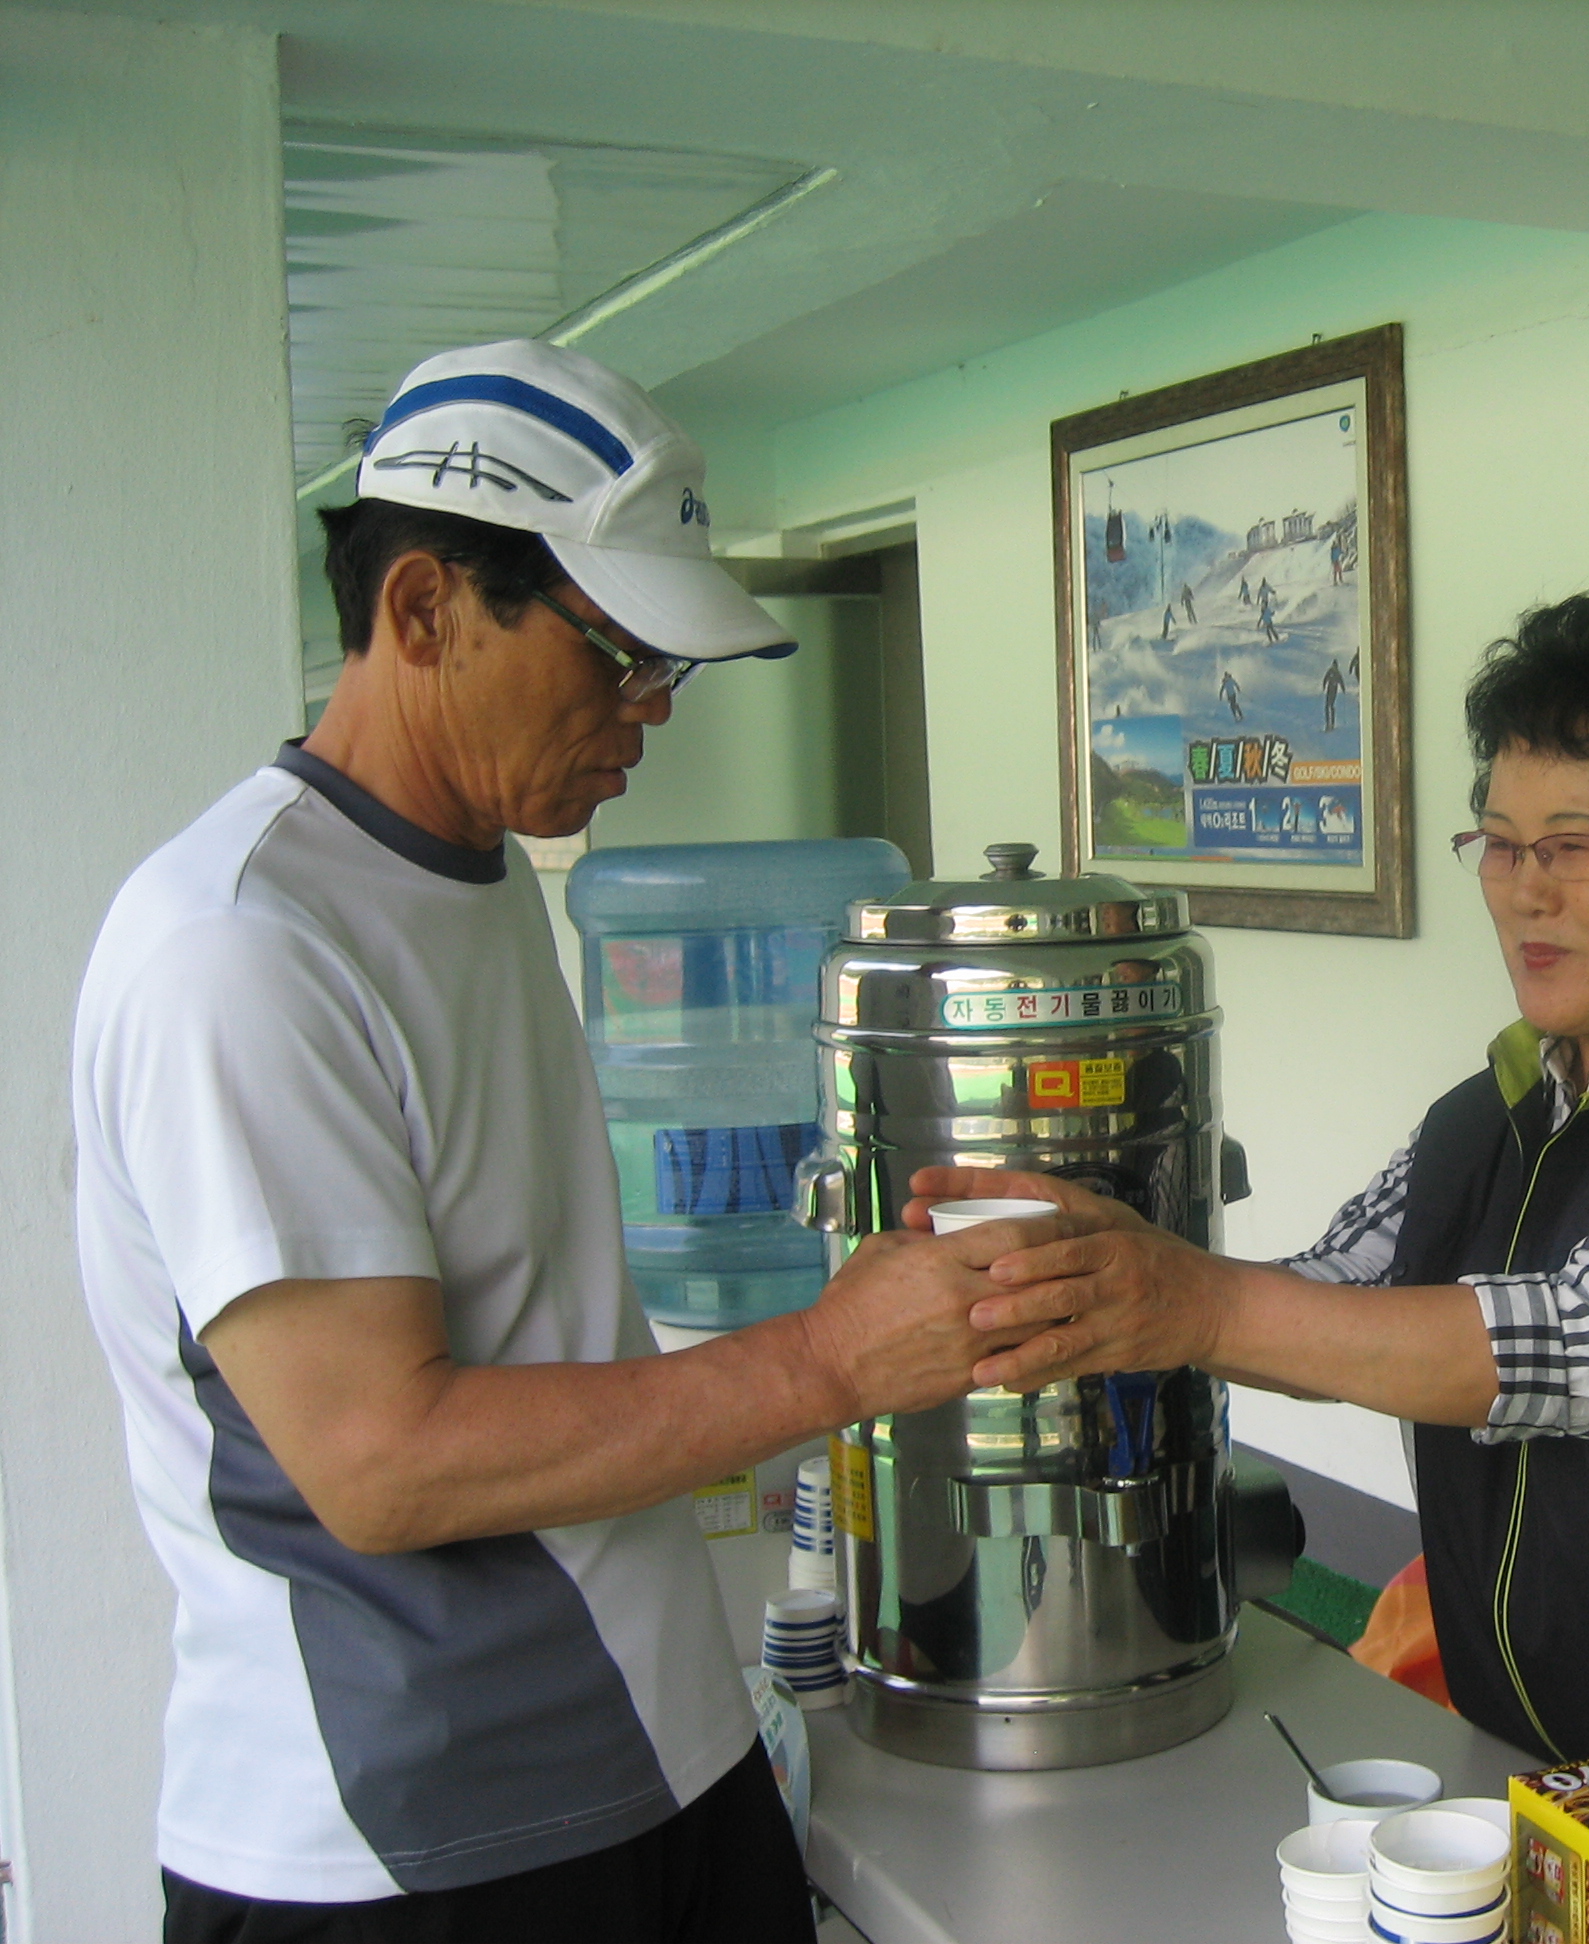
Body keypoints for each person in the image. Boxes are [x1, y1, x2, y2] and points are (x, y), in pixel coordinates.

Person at [73, 340, 1052, 1939]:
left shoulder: (472, 878)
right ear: (424, 610)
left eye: (670, 671)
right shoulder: (240, 947)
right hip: (413, 1843)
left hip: (660, 1751)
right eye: (619, 657)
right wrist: (830, 1358)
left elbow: (537, 1319)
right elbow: (381, 1460)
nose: (647, 715)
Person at [911, 593, 1589, 1774]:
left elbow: (1574, 1346)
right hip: (1544, 1776)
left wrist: (1182, 1301)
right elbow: (1328, 1296)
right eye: (1503, 844)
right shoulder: (1483, 1122)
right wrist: (1092, 1268)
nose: (1527, 890)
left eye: (1576, 846)